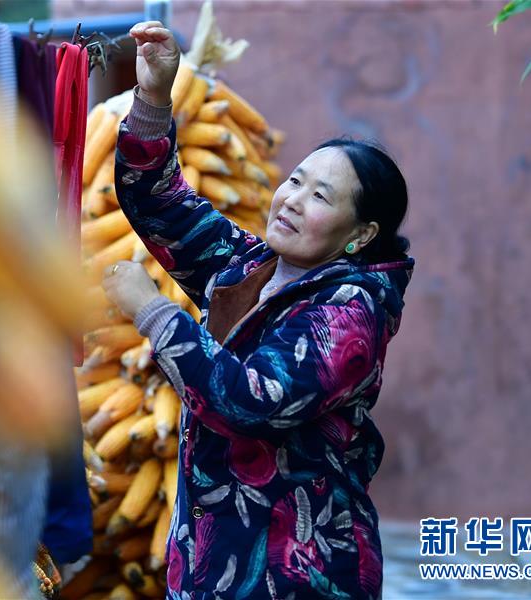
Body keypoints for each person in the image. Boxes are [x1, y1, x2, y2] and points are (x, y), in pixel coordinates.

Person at [102, 21, 415, 600]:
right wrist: (152, 95)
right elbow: (157, 200)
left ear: (361, 233)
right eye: (295, 180)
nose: (292, 200)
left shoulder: (353, 313)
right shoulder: (252, 268)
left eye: (320, 196)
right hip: (210, 561)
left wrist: (153, 312)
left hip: (300, 573)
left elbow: (247, 402)